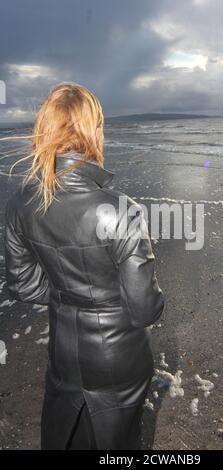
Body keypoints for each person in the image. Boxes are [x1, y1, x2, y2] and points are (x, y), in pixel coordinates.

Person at [4, 82, 165, 450]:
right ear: (94, 131)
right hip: (119, 362)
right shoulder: (121, 210)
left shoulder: (20, 204)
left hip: (63, 352)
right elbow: (144, 310)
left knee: (65, 438)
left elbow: (23, 285)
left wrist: (69, 293)